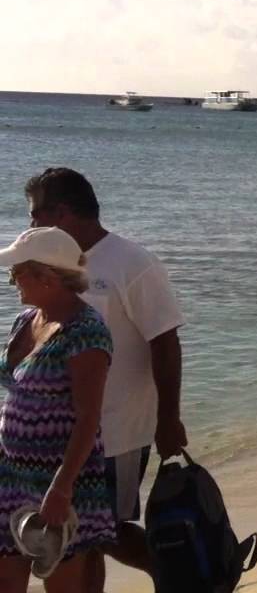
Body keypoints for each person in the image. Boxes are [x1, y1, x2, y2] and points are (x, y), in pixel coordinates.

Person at [24, 170, 187, 592]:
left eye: (34, 215)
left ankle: (179, 574)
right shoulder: (58, 264)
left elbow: (165, 343)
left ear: (61, 213)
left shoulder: (132, 263)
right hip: (66, 433)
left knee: (102, 531)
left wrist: (168, 420)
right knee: (84, 535)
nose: (29, 226)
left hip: (117, 432)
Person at [0, 227, 115, 592]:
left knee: (63, 585)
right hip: (11, 475)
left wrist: (61, 488)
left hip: (60, 480)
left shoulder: (86, 332)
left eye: (16, 273)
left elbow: (88, 417)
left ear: (47, 276)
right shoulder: (27, 321)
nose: (11, 281)